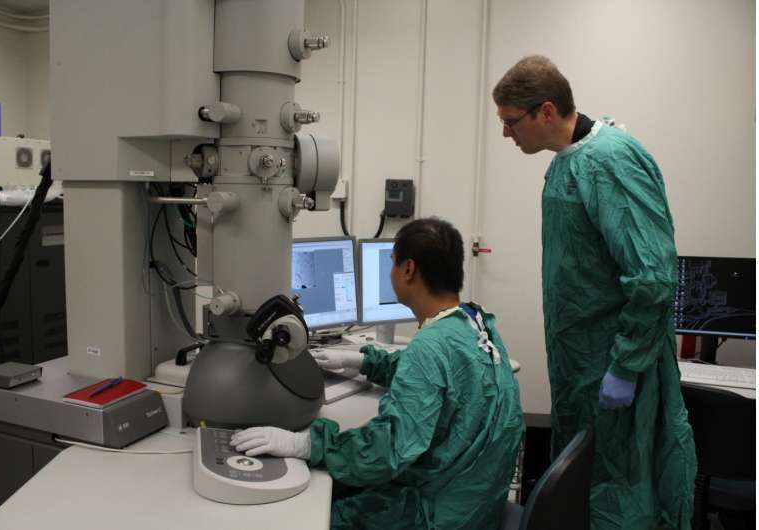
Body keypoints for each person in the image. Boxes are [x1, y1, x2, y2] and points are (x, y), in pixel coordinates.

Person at [492, 55, 697, 530]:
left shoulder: (611, 161)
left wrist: (624, 367)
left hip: (618, 366)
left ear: (545, 111)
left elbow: (652, 276)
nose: (506, 134)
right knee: (585, 487)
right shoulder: (569, 162)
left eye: (510, 122)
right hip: (583, 368)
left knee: (622, 492)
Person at [231, 217, 524, 530]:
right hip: (477, 503)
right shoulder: (474, 322)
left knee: (306, 517)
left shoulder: (430, 346)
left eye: (393, 262)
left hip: (437, 516)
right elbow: (450, 381)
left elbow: (388, 452)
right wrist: (364, 362)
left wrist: (307, 445)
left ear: (408, 269)